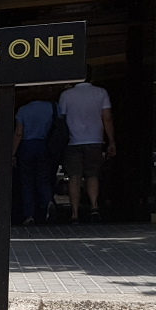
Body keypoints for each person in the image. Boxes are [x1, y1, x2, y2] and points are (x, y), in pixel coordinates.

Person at [58, 68, 116, 221]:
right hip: (95, 140)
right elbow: (107, 118)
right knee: (92, 175)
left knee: (74, 177)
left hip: (72, 141)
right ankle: (94, 206)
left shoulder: (66, 95)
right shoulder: (101, 93)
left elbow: (61, 119)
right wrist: (111, 141)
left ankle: (74, 212)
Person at [12, 90, 55, 225]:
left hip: (27, 145)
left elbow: (19, 133)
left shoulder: (23, 110)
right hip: (44, 143)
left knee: (27, 181)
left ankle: (29, 215)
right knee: (43, 178)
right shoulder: (52, 107)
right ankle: (48, 201)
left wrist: (12, 153)